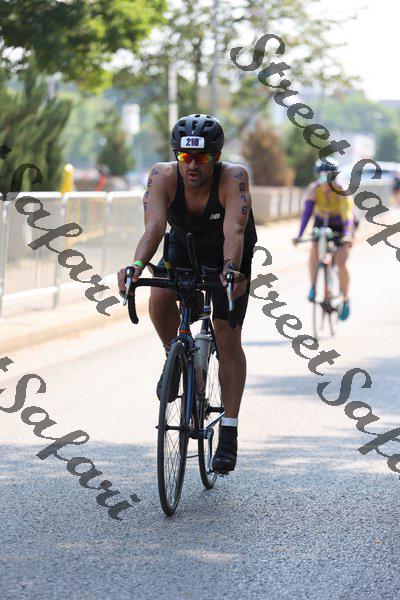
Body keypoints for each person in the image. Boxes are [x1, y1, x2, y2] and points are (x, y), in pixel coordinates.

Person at [117, 114, 257, 473]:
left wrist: (231, 270)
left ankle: (229, 432)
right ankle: (176, 360)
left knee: (226, 335)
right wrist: (136, 265)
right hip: (184, 247)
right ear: (176, 156)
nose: (193, 166)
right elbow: (154, 227)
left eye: (202, 158)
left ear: (217, 156)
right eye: (185, 157)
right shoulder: (162, 176)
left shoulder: (233, 178)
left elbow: (234, 232)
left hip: (229, 254)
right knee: (159, 296)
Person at [293, 158, 354, 321]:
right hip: (321, 221)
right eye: (322, 177)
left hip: (341, 224)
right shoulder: (314, 190)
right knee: (314, 248)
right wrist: (299, 235)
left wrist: (348, 234)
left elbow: (347, 216)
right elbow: (306, 214)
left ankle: (345, 298)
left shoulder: (342, 190)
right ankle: (313, 286)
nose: (326, 183)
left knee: (341, 261)